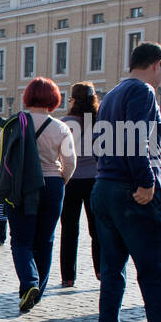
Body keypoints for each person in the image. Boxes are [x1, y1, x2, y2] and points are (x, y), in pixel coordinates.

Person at [91, 41, 161, 322]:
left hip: (105, 186)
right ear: (157, 64)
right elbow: (137, 138)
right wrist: (145, 181)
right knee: (156, 266)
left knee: (112, 268)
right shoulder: (143, 91)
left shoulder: (111, 94)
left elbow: (102, 139)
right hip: (132, 190)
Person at [7, 78, 75, 314]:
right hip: (53, 184)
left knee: (21, 239)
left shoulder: (16, 123)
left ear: (28, 96)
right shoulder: (61, 127)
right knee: (45, 240)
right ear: (53, 99)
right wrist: (61, 180)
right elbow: (70, 162)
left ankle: (29, 283)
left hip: (22, 186)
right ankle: (38, 291)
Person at [58, 82, 100, 288]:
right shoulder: (100, 123)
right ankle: (101, 270)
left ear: (72, 99)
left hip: (70, 180)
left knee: (69, 229)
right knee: (97, 229)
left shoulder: (64, 123)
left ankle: (68, 276)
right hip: (94, 180)